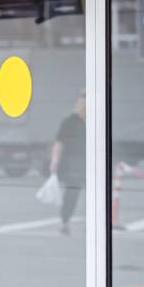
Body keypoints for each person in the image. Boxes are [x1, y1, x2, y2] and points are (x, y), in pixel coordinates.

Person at [49, 89, 86, 236]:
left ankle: (92, 222)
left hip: (90, 161)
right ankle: (65, 221)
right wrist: (54, 161)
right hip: (73, 163)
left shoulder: (97, 120)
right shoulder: (70, 122)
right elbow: (59, 142)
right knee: (72, 193)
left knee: (94, 194)